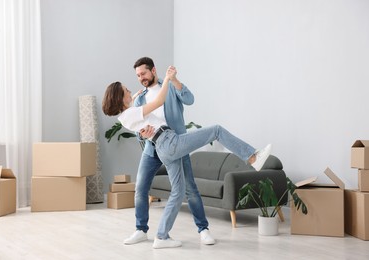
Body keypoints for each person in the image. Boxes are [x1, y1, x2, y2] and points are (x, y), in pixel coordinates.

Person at [102, 65, 272, 249]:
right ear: (120, 98)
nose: (132, 88)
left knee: (179, 191)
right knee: (216, 130)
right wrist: (167, 78)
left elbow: (182, 99)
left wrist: (165, 83)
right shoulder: (132, 111)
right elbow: (158, 102)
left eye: (142, 73)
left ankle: (162, 236)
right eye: (127, 90)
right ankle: (253, 158)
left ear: (152, 70)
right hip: (169, 142)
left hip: (165, 146)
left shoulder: (130, 109)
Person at [126, 57, 215, 247]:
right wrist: (142, 134)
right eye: (138, 75)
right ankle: (141, 230)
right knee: (140, 189)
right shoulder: (140, 98)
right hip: (151, 149)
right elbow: (137, 129)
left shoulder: (169, 86)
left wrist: (174, 80)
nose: (141, 78)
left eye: (143, 73)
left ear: (153, 70)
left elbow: (190, 99)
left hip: (176, 144)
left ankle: (203, 229)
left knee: (190, 189)